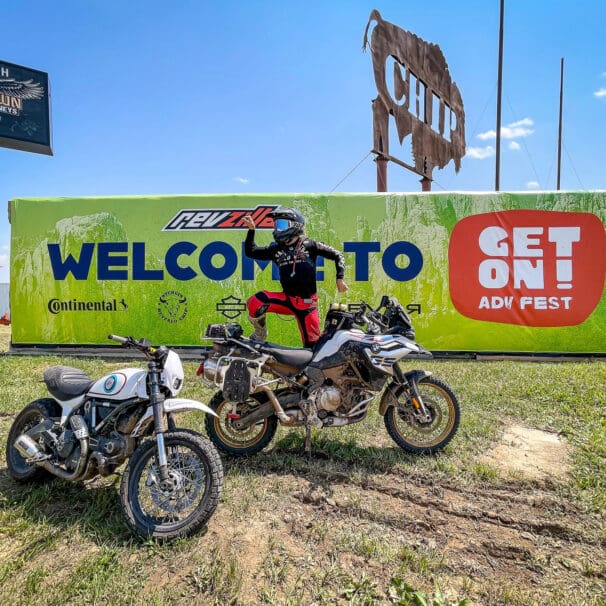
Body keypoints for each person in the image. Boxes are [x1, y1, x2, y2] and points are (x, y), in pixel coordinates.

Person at [243, 207, 348, 348]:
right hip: (287, 300)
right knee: (255, 302)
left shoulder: (310, 245)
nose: (277, 229)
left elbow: (337, 255)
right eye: (276, 225)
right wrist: (251, 230)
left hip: (307, 305)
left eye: (280, 225)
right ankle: (260, 333)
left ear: (295, 225)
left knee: (313, 347)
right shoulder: (276, 249)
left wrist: (339, 278)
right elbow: (251, 252)